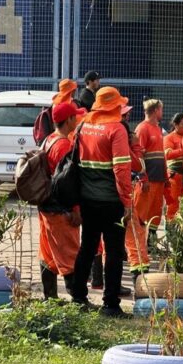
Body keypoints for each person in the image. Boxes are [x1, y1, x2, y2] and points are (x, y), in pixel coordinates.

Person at [70, 87, 133, 317]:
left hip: (87, 201)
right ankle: (110, 304)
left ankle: (78, 297)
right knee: (114, 253)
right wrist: (127, 201)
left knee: (87, 248)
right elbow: (121, 168)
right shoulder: (116, 129)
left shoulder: (83, 125)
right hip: (111, 202)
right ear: (115, 106)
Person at [38, 102, 83, 299]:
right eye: (75, 116)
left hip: (47, 206)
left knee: (48, 253)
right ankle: (77, 300)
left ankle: (50, 297)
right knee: (70, 254)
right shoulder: (64, 145)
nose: (78, 119)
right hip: (61, 209)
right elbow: (69, 182)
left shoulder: (49, 140)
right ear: (69, 120)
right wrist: (75, 210)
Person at [124, 98, 166, 279]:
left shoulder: (157, 129)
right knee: (139, 217)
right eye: (161, 109)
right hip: (147, 182)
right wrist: (144, 178)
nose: (162, 113)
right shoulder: (143, 128)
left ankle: (149, 244)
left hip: (158, 180)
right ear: (156, 110)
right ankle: (137, 252)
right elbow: (138, 155)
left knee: (155, 215)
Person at [163, 112, 183, 221]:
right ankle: (170, 233)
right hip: (174, 175)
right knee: (172, 205)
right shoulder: (169, 138)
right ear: (176, 125)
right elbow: (167, 155)